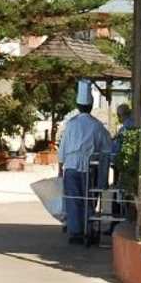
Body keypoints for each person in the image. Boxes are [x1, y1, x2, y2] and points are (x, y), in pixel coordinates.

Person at [56, 84, 108, 244]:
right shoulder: (97, 125)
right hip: (89, 167)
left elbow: (62, 148)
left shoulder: (71, 124)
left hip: (71, 166)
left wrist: (60, 168)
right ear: (91, 106)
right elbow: (106, 147)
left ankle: (75, 233)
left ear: (78, 106)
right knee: (89, 199)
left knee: (72, 200)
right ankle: (88, 229)